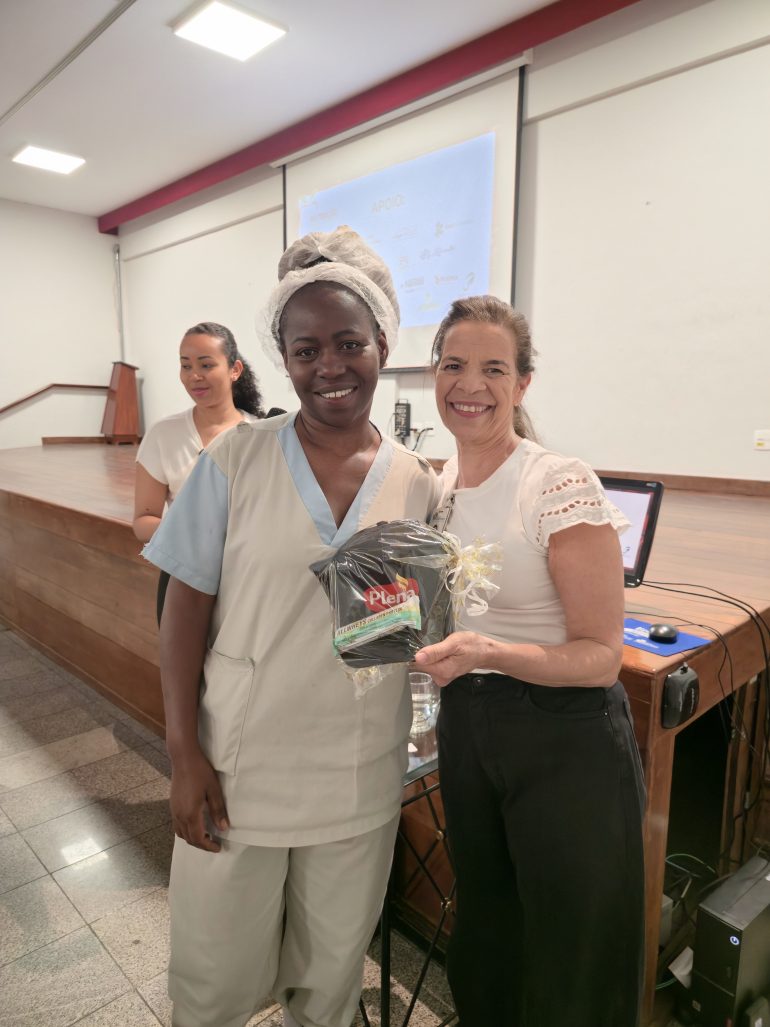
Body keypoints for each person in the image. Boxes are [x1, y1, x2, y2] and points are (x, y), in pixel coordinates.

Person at [142, 227, 440, 1027]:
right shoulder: (235, 461)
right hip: (240, 769)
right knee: (213, 978)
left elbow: (397, 627)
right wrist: (183, 754)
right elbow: (182, 609)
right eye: (306, 350)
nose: (329, 366)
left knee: (331, 979)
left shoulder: (415, 481)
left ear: (383, 346)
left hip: (358, 772)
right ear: (283, 359)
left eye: (349, 343)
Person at [413, 296, 645, 1027]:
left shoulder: (556, 481)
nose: (469, 384)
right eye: (454, 364)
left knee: (572, 949)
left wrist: (487, 652)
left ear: (522, 384)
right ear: (433, 373)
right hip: (470, 723)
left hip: (563, 732)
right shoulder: (439, 485)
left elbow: (601, 657)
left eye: (493, 368)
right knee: (489, 927)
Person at [132, 321, 264, 620]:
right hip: (186, 576)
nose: (194, 376)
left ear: (234, 370)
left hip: (250, 578)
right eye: (186, 366)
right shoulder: (164, 434)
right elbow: (143, 521)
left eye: (206, 365)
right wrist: (197, 534)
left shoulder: (261, 433)